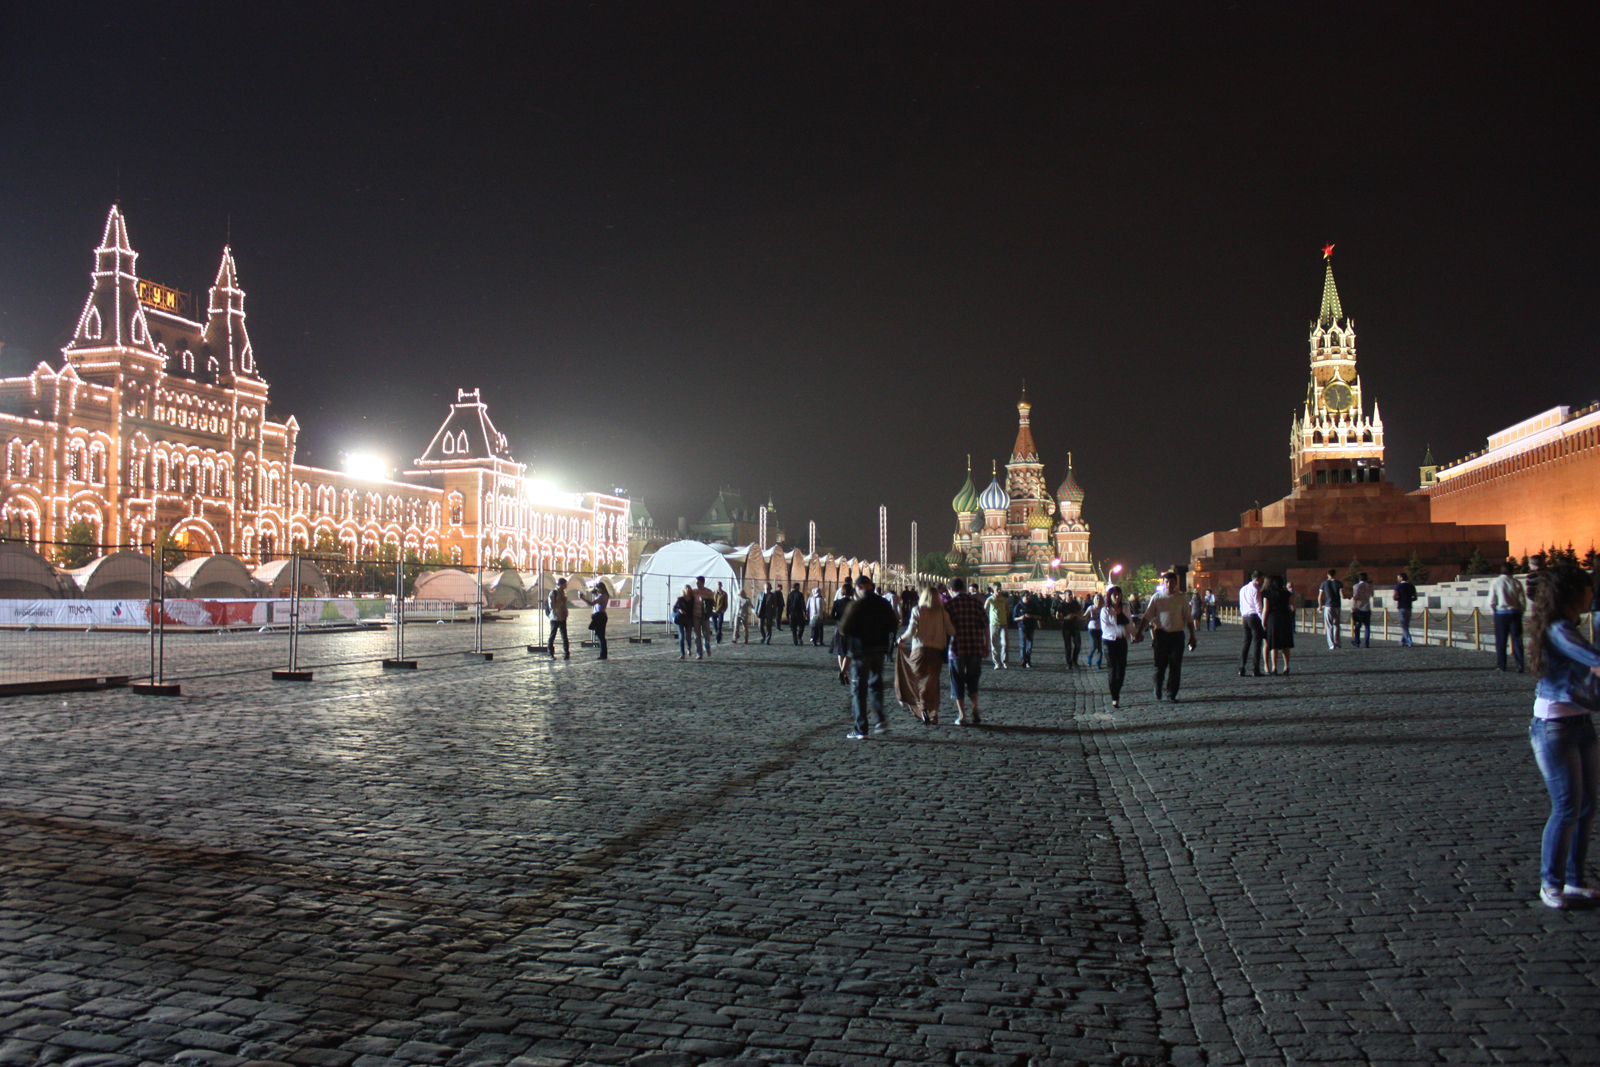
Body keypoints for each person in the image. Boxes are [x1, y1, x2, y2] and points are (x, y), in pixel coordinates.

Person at [1527, 563, 1600, 909]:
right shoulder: (1559, 629)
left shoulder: (1568, 625)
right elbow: (1593, 658)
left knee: (1586, 806)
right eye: (1587, 588)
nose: (1592, 593)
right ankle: (1551, 883)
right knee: (1568, 805)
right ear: (1572, 592)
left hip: (1582, 722)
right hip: (1554, 727)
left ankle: (1574, 880)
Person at [836, 575, 900, 739]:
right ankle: (880, 721)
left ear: (858, 588)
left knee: (858, 689)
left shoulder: (856, 605)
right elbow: (894, 623)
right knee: (876, 685)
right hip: (879, 649)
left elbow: (844, 628)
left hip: (861, 650)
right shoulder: (883, 603)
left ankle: (861, 728)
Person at [898, 585, 953, 724]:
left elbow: (911, 631)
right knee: (932, 683)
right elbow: (952, 631)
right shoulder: (942, 613)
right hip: (937, 651)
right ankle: (932, 713)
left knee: (916, 679)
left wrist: (901, 639)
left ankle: (920, 707)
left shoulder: (917, 610)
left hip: (920, 650)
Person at [1139, 573, 1197, 702]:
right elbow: (1147, 615)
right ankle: (1158, 687)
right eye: (1167, 582)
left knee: (1175, 666)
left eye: (1172, 582)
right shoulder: (1157, 597)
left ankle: (1172, 693)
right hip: (1161, 635)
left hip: (1177, 636)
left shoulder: (1182, 598)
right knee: (1160, 665)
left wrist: (1192, 636)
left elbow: (1188, 618)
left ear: (1176, 583)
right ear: (1163, 583)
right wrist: (1139, 632)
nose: (1169, 584)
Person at [943, 576, 989, 725]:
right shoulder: (976, 603)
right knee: (973, 679)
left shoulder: (949, 605)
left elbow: (946, 628)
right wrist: (986, 644)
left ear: (951, 590)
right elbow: (985, 625)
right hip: (975, 646)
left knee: (957, 680)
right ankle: (975, 707)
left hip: (957, 648)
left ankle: (962, 715)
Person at [1490, 560, 1528, 672]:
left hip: (1501, 614)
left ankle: (1501, 665)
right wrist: (1521, 611)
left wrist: (1494, 612)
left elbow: (1491, 600)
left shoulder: (1496, 582)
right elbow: (1522, 600)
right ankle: (1520, 665)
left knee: (1501, 641)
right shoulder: (1517, 583)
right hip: (1515, 613)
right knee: (1517, 640)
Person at [1099, 585, 1133, 708]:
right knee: (1112, 668)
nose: (1117, 597)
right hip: (1109, 641)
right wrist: (1120, 629)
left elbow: (1129, 621)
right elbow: (1105, 628)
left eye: (1119, 594)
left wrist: (1134, 634)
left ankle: (1117, 689)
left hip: (1122, 641)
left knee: (1122, 669)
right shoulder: (1105, 610)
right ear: (1110, 596)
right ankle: (1115, 696)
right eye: (1114, 594)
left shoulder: (1125, 607)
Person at [1262, 574, 1295, 675]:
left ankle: (1274, 667)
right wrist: (1290, 615)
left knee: (1274, 644)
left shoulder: (1268, 594)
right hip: (1285, 617)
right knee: (1286, 644)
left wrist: (1263, 622)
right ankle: (1286, 666)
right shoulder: (1287, 593)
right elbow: (1293, 606)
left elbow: (1265, 609)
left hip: (1273, 619)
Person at [1238, 571, 1265, 677]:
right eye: (1262, 580)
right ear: (1257, 579)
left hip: (1245, 617)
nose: (1262, 582)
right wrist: (1263, 620)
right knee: (1257, 643)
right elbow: (1258, 606)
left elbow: (1241, 605)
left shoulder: (1243, 589)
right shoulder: (1255, 590)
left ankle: (1241, 667)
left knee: (1246, 643)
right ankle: (1255, 668)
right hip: (1254, 617)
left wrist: (1242, 616)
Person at [575, 581, 610, 659]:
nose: (597, 590)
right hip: (599, 615)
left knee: (600, 636)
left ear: (601, 588)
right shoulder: (603, 595)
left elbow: (592, 603)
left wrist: (582, 598)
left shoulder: (602, 596)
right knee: (600, 635)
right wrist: (596, 594)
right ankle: (603, 653)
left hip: (600, 616)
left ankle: (603, 654)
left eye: (598, 589)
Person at [985, 585, 1011, 668]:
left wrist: (1005, 617)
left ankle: (1005, 661)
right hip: (993, 624)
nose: (999, 591)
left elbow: (1008, 610)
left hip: (1003, 624)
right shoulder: (990, 599)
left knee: (1005, 643)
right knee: (994, 644)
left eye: (1000, 589)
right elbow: (985, 610)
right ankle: (997, 662)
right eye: (997, 589)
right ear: (994, 590)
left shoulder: (1004, 600)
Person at [1317, 568, 1343, 650]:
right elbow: (1342, 595)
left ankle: (1331, 644)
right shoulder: (1339, 583)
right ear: (1335, 574)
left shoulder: (1324, 583)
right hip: (1337, 606)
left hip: (1328, 605)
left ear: (1328, 575)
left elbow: (1320, 597)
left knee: (1329, 625)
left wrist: (1320, 606)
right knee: (1337, 624)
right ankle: (1337, 642)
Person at [1012, 592, 1040, 668]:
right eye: (1026, 596)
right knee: (1023, 645)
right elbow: (1014, 618)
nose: (1027, 597)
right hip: (1022, 627)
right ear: (1022, 597)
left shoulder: (1033, 605)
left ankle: (1028, 660)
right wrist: (1020, 618)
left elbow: (1039, 616)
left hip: (1030, 627)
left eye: (1028, 595)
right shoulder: (1018, 606)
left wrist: (1032, 616)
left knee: (1029, 646)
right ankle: (1023, 660)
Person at [546, 577, 571, 659]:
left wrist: (566, 613)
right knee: (552, 635)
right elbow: (552, 606)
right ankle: (550, 652)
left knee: (564, 636)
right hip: (555, 618)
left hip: (562, 617)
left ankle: (566, 652)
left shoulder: (563, 593)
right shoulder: (553, 593)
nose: (565, 586)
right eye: (564, 584)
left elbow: (564, 606)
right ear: (560, 584)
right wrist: (561, 601)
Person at [1059, 594, 1084, 671]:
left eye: (1071, 595)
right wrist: (1066, 617)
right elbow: (1057, 616)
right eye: (1069, 595)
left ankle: (1075, 660)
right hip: (1066, 627)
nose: (1070, 596)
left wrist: (1074, 614)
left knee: (1078, 644)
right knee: (1068, 646)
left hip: (1075, 626)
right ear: (1065, 596)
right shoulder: (1062, 604)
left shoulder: (1075, 603)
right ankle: (1069, 663)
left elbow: (1081, 612)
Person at [693, 576, 716, 658]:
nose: (696, 584)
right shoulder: (693, 592)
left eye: (697, 582)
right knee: (697, 635)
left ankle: (707, 648)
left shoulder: (709, 592)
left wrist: (706, 600)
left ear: (702, 582)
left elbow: (713, 603)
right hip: (696, 616)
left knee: (706, 634)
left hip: (705, 616)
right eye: (696, 582)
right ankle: (699, 653)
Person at [1393, 573, 1418, 647]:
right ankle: (1402, 641)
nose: (1398, 579)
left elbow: (1394, 596)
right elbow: (1415, 597)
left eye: (1398, 577)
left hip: (1402, 606)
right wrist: (1409, 600)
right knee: (1406, 624)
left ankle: (1409, 641)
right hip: (1409, 606)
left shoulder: (1399, 586)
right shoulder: (1411, 586)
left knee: (1404, 625)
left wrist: (1400, 599)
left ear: (1401, 578)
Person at [1349, 572, 1373, 648]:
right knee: (1367, 626)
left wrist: (1353, 607)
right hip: (1367, 607)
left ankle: (1357, 641)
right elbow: (1372, 595)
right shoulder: (1369, 586)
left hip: (1359, 608)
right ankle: (1366, 643)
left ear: (1359, 578)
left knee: (1357, 626)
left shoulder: (1356, 586)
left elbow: (1355, 597)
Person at [673, 584, 696, 659]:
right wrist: (679, 610)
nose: (687, 589)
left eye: (688, 588)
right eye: (686, 588)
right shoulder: (680, 599)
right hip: (680, 619)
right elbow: (674, 608)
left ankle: (689, 649)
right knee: (681, 636)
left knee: (688, 636)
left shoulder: (692, 599)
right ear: (683, 590)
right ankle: (682, 653)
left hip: (689, 619)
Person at [1085, 592, 1105, 669]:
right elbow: (1084, 616)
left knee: (1100, 647)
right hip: (1092, 628)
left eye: (1100, 598)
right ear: (1094, 600)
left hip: (1101, 629)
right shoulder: (1091, 608)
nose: (1098, 600)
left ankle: (1098, 663)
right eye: (1097, 598)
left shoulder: (1104, 608)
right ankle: (1089, 658)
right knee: (1093, 646)